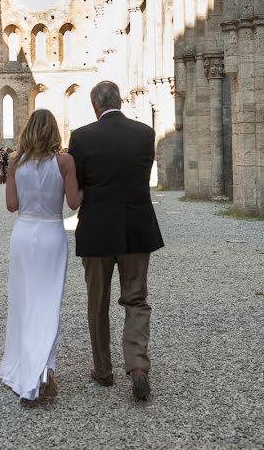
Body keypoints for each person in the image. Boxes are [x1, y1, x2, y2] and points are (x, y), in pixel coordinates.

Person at [68, 81, 164, 401]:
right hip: (137, 227)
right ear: (120, 102)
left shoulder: (82, 137)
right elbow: (140, 176)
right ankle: (137, 365)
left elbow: (79, 186)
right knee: (136, 299)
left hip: (97, 230)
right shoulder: (144, 134)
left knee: (97, 302)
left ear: (95, 106)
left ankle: (103, 370)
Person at [0, 110, 81, 406]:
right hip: (49, 235)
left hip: (23, 234)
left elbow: (11, 205)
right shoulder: (64, 162)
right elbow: (73, 203)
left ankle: (25, 368)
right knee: (47, 304)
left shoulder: (15, 163)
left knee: (23, 302)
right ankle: (43, 373)